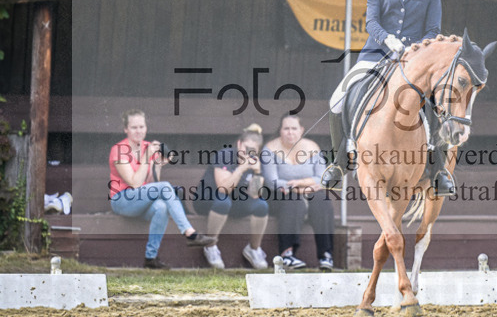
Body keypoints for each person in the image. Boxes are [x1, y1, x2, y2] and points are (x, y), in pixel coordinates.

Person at [320, 0, 456, 197]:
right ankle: (338, 163)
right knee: (337, 99)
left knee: (436, 104)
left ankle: (439, 170)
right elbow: (372, 22)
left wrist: (415, 50)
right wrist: (388, 40)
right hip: (376, 55)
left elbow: (433, 29)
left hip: (414, 62)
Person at [109, 109, 216, 269]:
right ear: (126, 129)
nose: (139, 131)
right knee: (165, 187)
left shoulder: (148, 147)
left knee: (162, 206)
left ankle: (150, 258)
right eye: (134, 127)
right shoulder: (119, 150)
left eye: (141, 127)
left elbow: (152, 183)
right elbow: (135, 183)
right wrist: (147, 157)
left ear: (146, 127)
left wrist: (158, 164)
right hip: (123, 201)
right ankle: (190, 233)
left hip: (141, 201)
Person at [263, 114, 335, 271]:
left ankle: (326, 255)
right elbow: (272, 181)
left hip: (307, 191)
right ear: (280, 130)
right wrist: (297, 188)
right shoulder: (270, 149)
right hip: (279, 195)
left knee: (322, 200)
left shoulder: (312, 147)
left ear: (301, 130)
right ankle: (287, 254)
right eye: (286, 128)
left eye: (294, 128)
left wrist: (302, 184)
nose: (290, 132)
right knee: (293, 200)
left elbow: (322, 177)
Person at [193, 124, 270, 269]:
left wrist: (258, 173)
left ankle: (254, 249)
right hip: (207, 199)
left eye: (253, 151)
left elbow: (255, 194)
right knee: (223, 201)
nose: (248, 153)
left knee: (261, 205)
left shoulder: (257, 162)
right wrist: (241, 168)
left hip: (234, 203)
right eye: (246, 148)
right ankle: (210, 245)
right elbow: (223, 188)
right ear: (239, 144)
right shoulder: (226, 155)